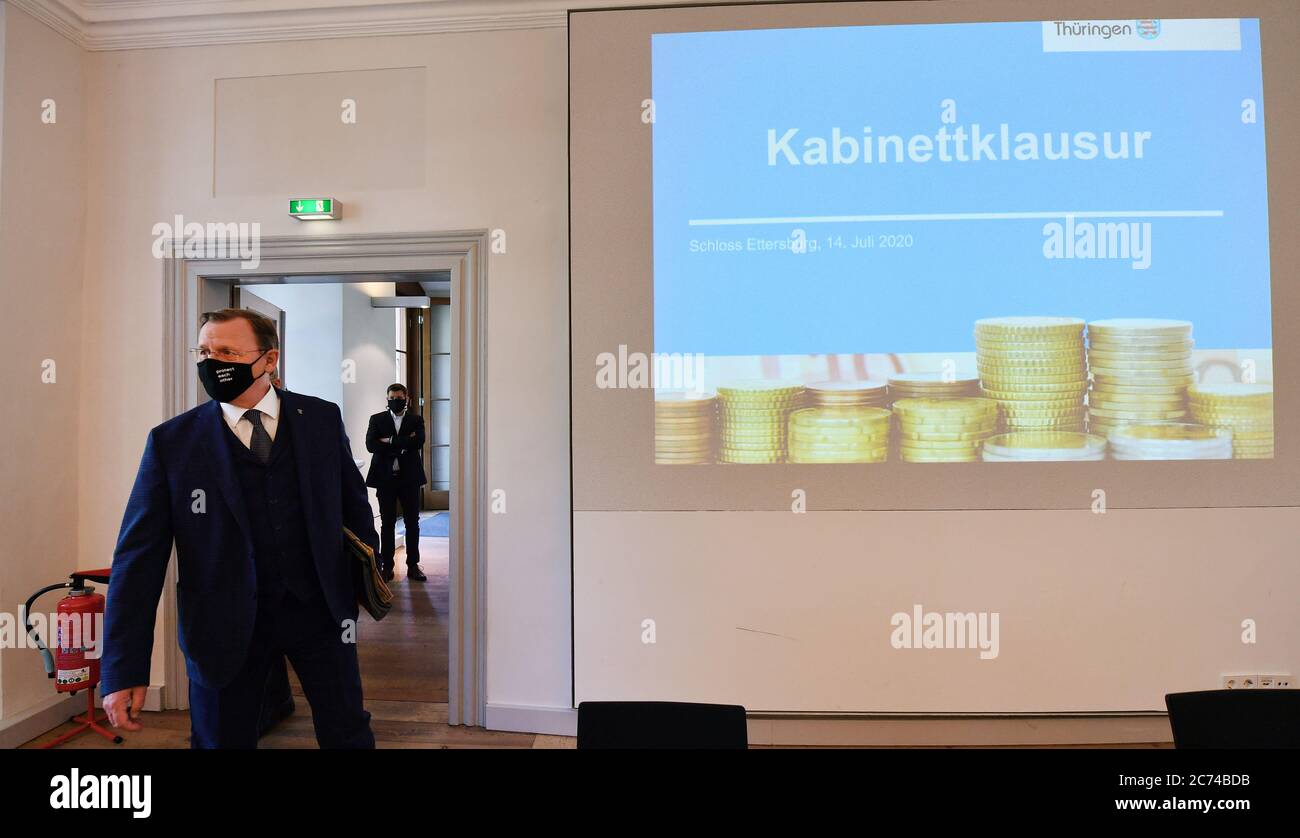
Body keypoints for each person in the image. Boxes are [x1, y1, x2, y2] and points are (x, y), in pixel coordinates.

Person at [99, 308, 379, 749]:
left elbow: (355, 508)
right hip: (220, 625)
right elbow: (137, 560)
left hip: (320, 614)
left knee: (347, 731)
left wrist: (362, 578)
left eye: (227, 351)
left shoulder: (320, 421)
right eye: (205, 351)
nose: (212, 362)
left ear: (270, 360)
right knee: (220, 741)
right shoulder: (173, 443)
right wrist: (123, 668)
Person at [364, 384, 428, 582]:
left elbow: (418, 442)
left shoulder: (416, 420)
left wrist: (388, 441)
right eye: (392, 397)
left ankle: (413, 565)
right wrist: (401, 443)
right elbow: (371, 445)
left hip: (409, 478)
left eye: (399, 397)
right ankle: (387, 567)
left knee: (412, 523)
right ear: (387, 399)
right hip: (385, 479)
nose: (395, 400)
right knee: (387, 524)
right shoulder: (377, 419)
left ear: (406, 398)